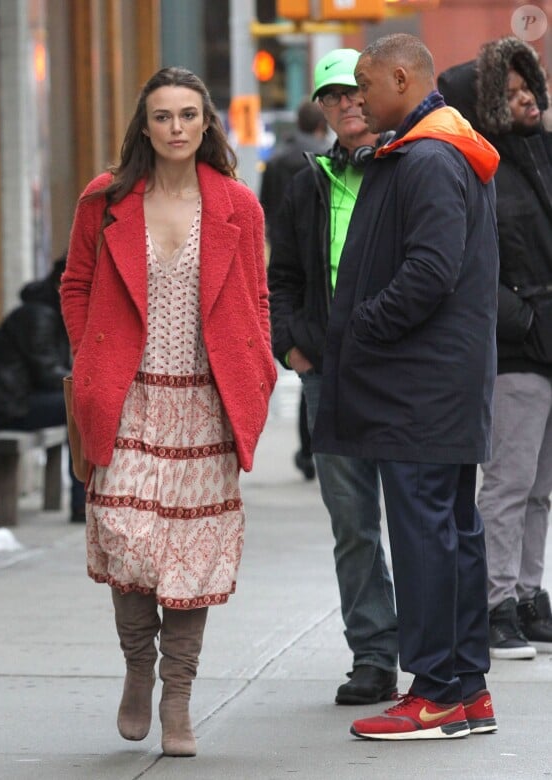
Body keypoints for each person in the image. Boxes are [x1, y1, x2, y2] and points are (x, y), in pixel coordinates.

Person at [60, 66, 276, 757]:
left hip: (208, 403)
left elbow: (257, 297)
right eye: (163, 116)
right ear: (144, 126)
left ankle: (177, 697)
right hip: (127, 397)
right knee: (125, 535)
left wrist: (260, 368)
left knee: (190, 557)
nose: (177, 128)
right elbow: (76, 284)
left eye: (189, 115)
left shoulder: (239, 204)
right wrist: (89, 358)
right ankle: (138, 666)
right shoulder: (107, 198)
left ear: (207, 122)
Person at [313, 33, 500, 740]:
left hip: (419, 387)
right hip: (440, 386)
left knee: (427, 535)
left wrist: (361, 324)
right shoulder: (442, 150)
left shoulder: (426, 157)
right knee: (451, 532)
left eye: (366, 84)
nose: (358, 98)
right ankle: (466, 687)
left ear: (401, 76)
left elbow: (428, 270)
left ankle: (436, 691)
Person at [268, 48, 399, 706]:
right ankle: (374, 654)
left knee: (416, 519)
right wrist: (289, 344)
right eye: (332, 97)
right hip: (330, 376)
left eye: (354, 91)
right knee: (353, 523)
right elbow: (282, 276)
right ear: (320, 110)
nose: (346, 104)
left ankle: (431, 651)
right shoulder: (306, 182)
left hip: (404, 377)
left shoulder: (410, 167)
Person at [439, 38, 552, 660]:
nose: (525, 98)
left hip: (547, 338)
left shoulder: (544, 154)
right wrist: (526, 319)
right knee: (509, 482)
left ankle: (530, 597)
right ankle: (494, 605)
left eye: (527, 85)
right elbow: (472, 265)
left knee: (541, 486)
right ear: (486, 104)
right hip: (516, 345)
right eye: (508, 93)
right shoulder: (479, 167)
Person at [0, 255, 86, 523]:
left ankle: (83, 502)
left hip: (16, 400)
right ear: (63, 284)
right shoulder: (38, 315)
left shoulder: (52, 313)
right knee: (79, 405)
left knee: (80, 402)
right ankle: (82, 505)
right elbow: (47, 373)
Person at [261, 99, 329, 482]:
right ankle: (316, 448)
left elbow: (266, 207)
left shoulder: (277, 160)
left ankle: (307, 449)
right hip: (316, 261)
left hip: (284, 252)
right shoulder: (325, 159)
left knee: (310, 361)